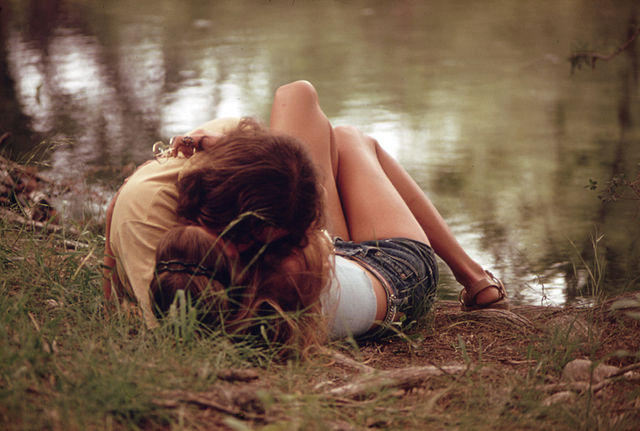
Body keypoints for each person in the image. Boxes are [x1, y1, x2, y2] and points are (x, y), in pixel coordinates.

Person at [146, 81, 508, 349]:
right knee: (347, 137)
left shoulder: (214, 264)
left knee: (327, 130)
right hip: (397, 276)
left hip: (335, 262)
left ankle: (478, 281)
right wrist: (230, 149)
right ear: (266, 233)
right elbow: (289, 174)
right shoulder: (288, 266)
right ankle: (475, 278)